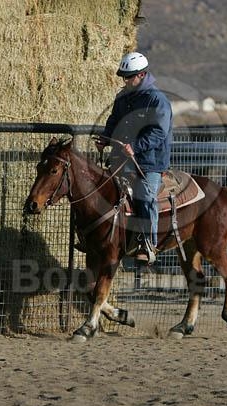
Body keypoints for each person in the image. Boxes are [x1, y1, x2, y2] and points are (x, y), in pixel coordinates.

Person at [95, 52, 173, 264]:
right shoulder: (122, 97)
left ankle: (148, 244)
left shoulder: (157, 100)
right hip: (123, 158)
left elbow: (159, 132)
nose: (125, 80)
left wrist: (136, 147)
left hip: (149, 162)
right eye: (124, 77)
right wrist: (105, 138)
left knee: (145, 196)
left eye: (129, 77)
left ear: (142, 75)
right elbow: (114, 120)